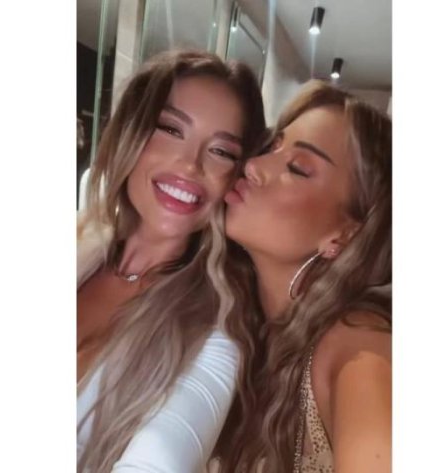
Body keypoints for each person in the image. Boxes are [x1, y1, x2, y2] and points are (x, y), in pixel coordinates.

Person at [76, 49, 266, 472]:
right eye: (171, 129)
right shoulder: (80, 241)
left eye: (221, 151)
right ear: (131, 132)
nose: (190, 164)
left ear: (237, 178)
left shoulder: (216, 334)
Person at [214, 80, 392, 472]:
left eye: (297, 168)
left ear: (344, 235)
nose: (253, 166)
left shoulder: (358, 350)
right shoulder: (241, 323)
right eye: (272, 147)